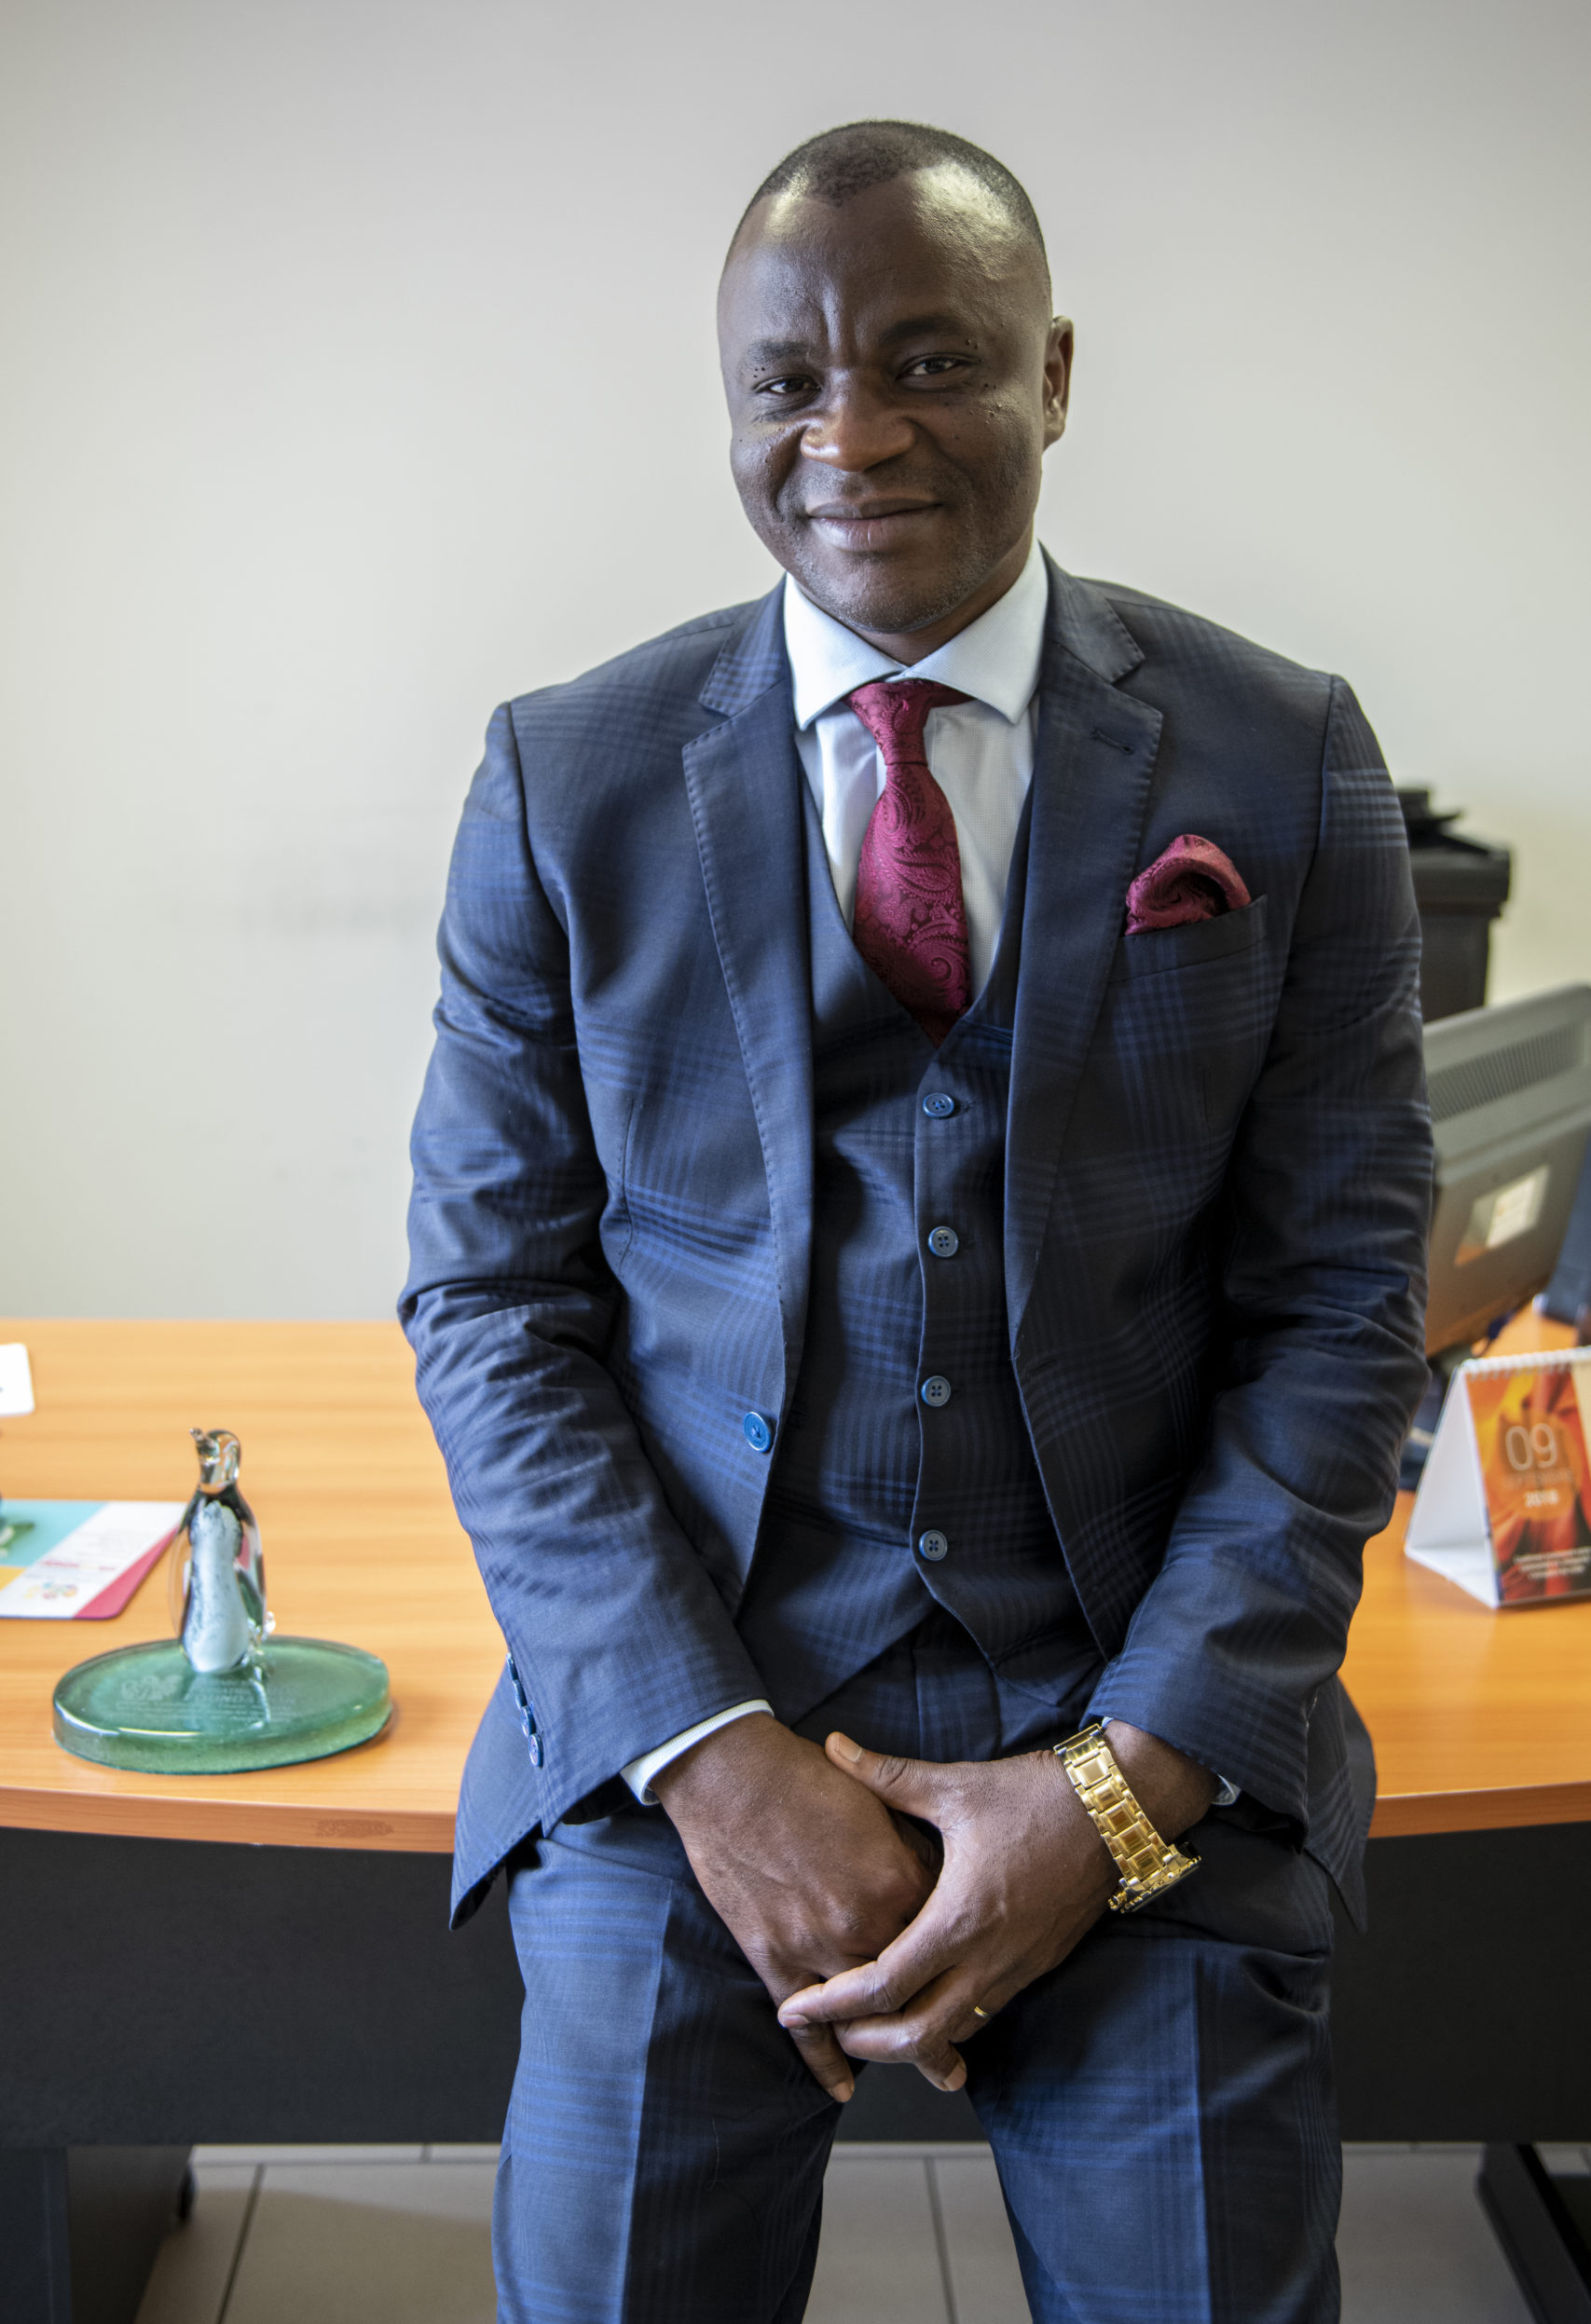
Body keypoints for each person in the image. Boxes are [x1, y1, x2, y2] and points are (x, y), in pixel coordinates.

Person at [401, 119, 1432, 2324]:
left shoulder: (1276, 758)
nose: (849, 436)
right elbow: (490, 1304)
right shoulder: (566, 780)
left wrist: (1119, 1788)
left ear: (1051, 372)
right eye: (784, 384)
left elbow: (1343, 1302)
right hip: (695, 1717)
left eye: (928, 360)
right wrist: (713, 1765)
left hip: (1133, 1720)